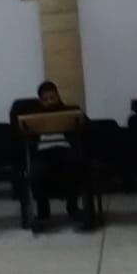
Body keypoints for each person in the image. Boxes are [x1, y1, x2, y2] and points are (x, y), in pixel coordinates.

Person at [27, 80, 94, 229]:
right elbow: (23, 134)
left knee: (76, 164)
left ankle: (73, 208)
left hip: (65, 149)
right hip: (43, 152)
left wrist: (78, 122)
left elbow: (88, 127)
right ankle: (43, 213)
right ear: (40, 101)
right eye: (46, 99)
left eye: (53, 98)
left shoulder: (71, 111)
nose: (50, 102)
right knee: (34, 173)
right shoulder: (33, 116)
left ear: (58, 96)